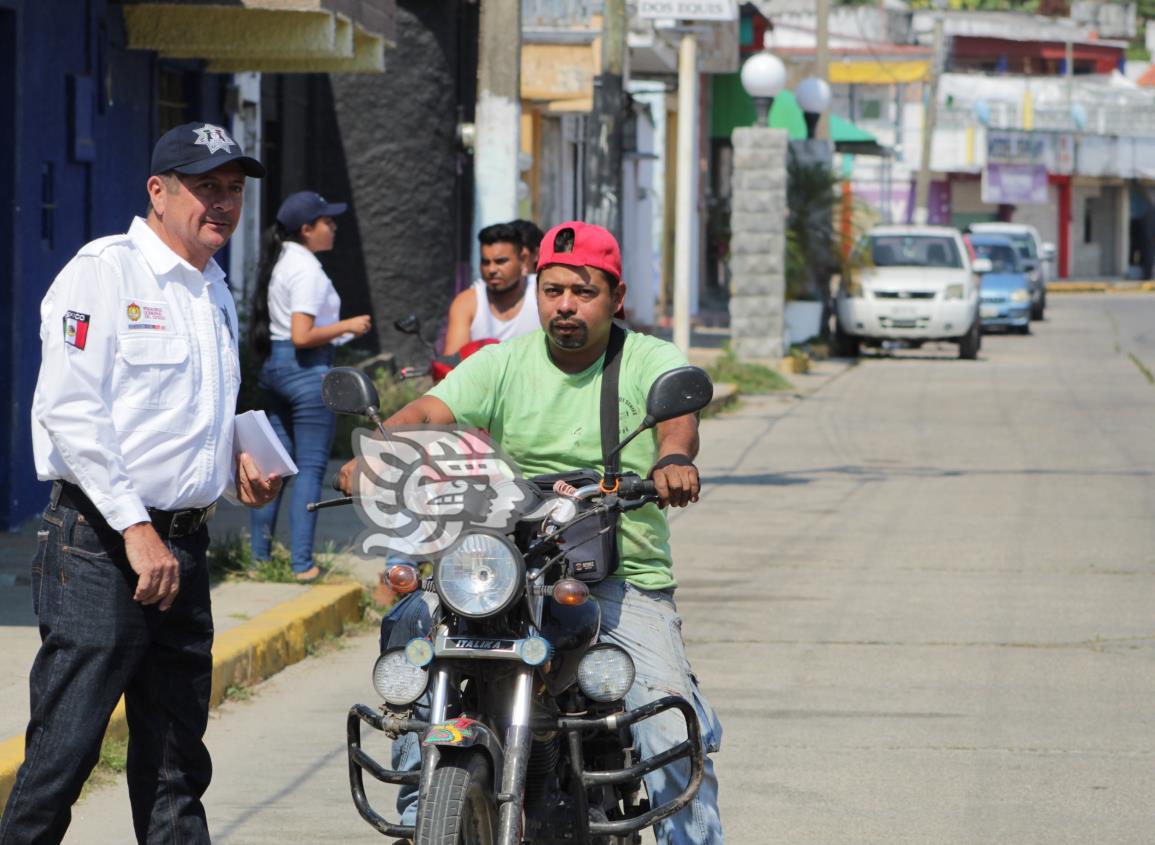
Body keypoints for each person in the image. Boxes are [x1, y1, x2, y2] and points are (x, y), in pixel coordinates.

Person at [339, 221, 724, 845]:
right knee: (412, 646)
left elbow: (677, 418)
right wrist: (381, 450)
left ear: (615, 296)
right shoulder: (502, 362)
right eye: (552, 290)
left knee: (667, 726)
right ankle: (421, 811)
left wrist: (670, 461)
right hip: (507, 569)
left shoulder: (649, 359)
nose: (565, 305)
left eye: (582, 290)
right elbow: (432, 410)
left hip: (619, 579)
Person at [2, 121, 281, 845]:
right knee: (67, 749)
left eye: (233, 188)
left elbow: (184, 412)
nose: (221, 203)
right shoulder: (104, 272)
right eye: (204, 186)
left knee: (175, 761)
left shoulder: (212, 287)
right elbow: (70, 411)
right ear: (158, 191)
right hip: (101, 543)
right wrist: (134, 527)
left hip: (180, 548)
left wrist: (234, 466)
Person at [248, 191, 372, 582]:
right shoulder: (306, 269)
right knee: (309, 469)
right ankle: (302, 564)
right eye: (327, 222)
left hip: (276, 368)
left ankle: (258, 559)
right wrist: (349, 325)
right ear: (307, 229)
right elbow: (303, 335)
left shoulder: (282, 260)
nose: (333, 227)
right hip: (306, 370)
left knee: (274, 465)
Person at [442, 222, 541, 356]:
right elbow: (450, 367)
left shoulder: (542, 292)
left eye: (501, 261)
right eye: (485, 262)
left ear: (523, 259)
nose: (491, 269)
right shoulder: (466, 303)